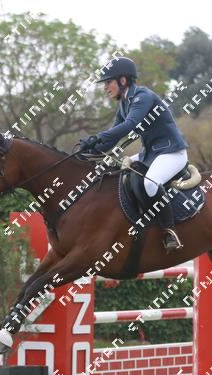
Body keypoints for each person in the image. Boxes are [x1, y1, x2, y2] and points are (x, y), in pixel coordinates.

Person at [79, 57, 189, 251]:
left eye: (108, 82)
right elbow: (113, 137)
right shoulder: (124, 104)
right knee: (120, 173)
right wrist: (92, 149)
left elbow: (130, 125)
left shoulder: (142, 97)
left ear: (122, 80)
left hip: (172, 152)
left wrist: (97, 136)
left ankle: (169, 231)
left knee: (150, 182)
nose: (105, 87)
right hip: (150, 154)